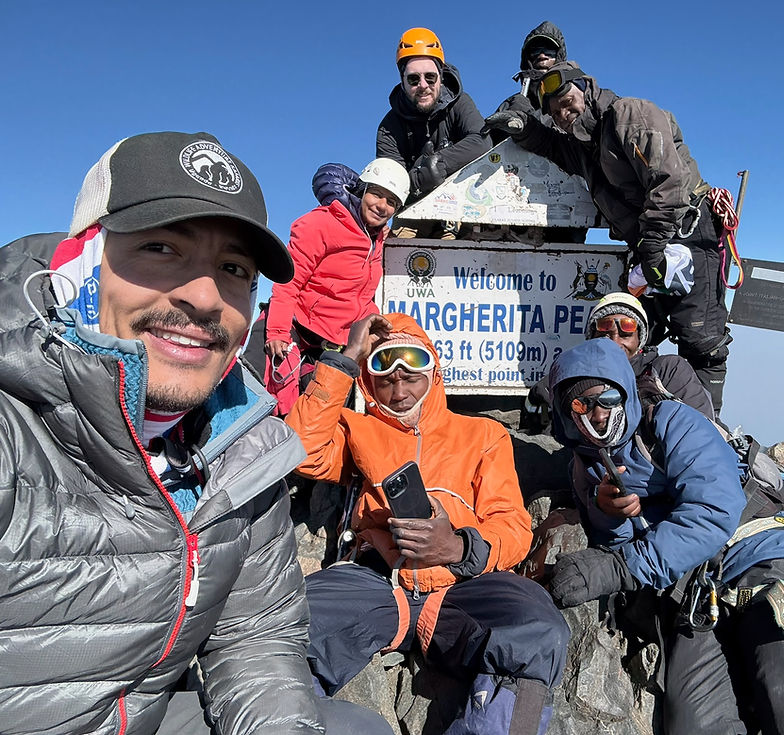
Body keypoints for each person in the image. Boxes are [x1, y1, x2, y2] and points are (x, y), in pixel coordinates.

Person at [0, 131, 392, 735]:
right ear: (81, 260)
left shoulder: (240, 451)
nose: (205, 296)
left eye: (233, 268)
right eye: (161, 247)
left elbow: (255, 639)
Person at [285, 312, 569, 735]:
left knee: (539, 629)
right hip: (377, 581)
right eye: (384, 377)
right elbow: (301, 452)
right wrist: (347, 357)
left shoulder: (484, 434)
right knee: (286, 626)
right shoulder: (356, 429)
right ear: (368, 381)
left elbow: (513, 525)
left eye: (411, 375)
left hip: (464, 585)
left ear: (433, 372)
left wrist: (456, 548)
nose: (399, 391)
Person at [546, 338, 784, 734]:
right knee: (695, 727)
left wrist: (622, 567)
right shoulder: (584, 467)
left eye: (606, 397)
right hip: (693, 595)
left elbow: (713, 511)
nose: (597, 415)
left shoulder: (672, 421)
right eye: (580, 406)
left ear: (624, 388)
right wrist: (608, 514)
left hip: (761, 558)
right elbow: (615, 541)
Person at [483, 63, 733, 415]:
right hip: (653, 249)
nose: (564, 114)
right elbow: (552, 147)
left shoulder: (628, 115)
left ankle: (706, 437)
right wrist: (523, 128)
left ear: (584, 86)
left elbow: (669, 183)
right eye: (555, 112)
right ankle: (634, 419)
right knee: (628, 329)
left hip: (686, 237)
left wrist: (653, 247)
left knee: (700, 342)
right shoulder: (585, 145)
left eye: (567, 101)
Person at [260, 157, 409, 417]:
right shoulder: (322, 223)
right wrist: (277, 332)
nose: (382, 206)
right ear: (362, 190)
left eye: (392, 202)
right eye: (377, 194)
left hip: (329, 342)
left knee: (316, 413)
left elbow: (360, 295)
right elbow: (288, 280)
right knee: (279, 408)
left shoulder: (379, 239)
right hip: (294, 329)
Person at [520, 291, 713, 433]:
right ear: (591, 339)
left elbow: (702, 432)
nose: (615, 342)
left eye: (625, 334)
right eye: (605, 334)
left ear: (640, 340)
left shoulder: (667, 372)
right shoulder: (561, 381)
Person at [377, 27, 490, 236]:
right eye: (413, 79)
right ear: (402, 80)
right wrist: (421, 178)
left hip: (462, 205)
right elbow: (390, 184)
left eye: (430, 77)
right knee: (396, 250)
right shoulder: (389, 128)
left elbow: (482, 142)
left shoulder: (461, 103)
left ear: (441, 76)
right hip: (412, 208)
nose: (423, 85)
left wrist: (440, 163)